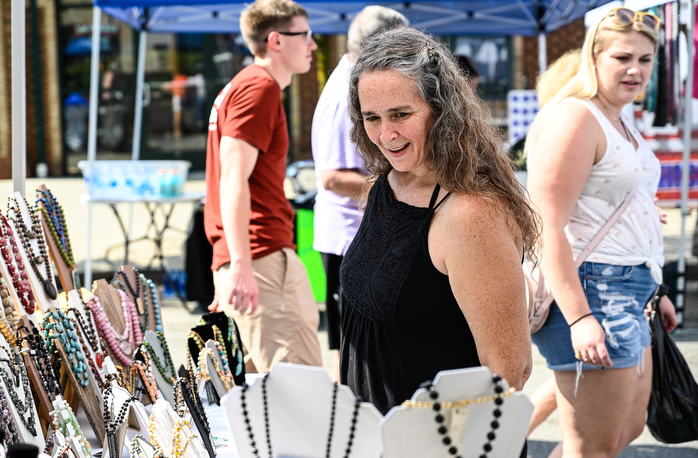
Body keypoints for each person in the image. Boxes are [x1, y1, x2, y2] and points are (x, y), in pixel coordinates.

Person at [340, 27, 539, 416]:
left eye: (401, 114)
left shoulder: (469, 214)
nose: (385, 134)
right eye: (371, 118)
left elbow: (508, 372)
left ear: (442, 110)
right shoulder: (387, 184)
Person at [524, 7, 678, 456]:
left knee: (627, 427)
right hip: (594, 287)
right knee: (594, 446)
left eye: (646, 60)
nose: (635, 69)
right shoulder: (576, 118)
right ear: (594, 57)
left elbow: (624, 202)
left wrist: (657, 289)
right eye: (622, 57)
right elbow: (545, 222)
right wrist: (579, 317)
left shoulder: (619, 118)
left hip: (633, 287)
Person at [204, 0, 322, 373]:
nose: (313, 45)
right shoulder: (259, 87)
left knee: (262, 398)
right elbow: (233, 176)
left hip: (253, 255)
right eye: (305, 34)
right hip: (261, 257)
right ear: (276, 40)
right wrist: (240, 265)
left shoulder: (248, 86)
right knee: (300, 390)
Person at [310, 5, 408, 381]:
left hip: (358, 233)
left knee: (362, 351)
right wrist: (398, 191)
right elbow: (333, 176)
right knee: (351, 354)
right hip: (348, 238)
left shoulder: (358, 82)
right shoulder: (344, 94)